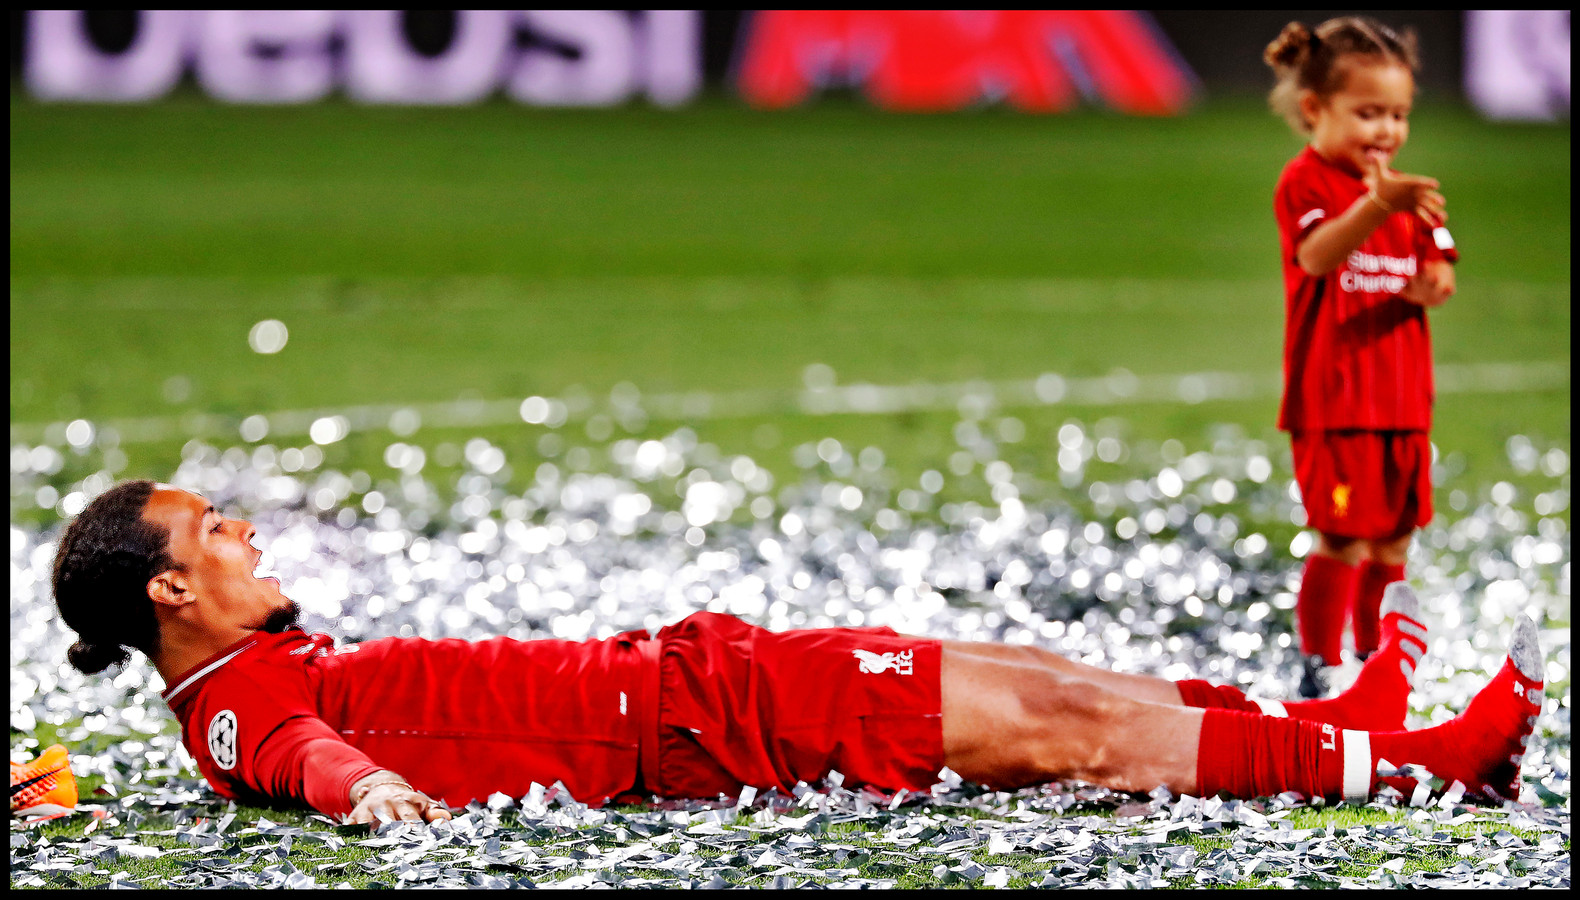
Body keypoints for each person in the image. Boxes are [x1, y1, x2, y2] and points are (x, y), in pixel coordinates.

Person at [51, 481, 1540, 827]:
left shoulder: (240, 674)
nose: (245, 529)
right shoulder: (237, 706)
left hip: (692, 677)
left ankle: (1342, 724)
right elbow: (302, 756)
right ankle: (1419, 766)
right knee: (1060, 725)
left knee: (1033, 676)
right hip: (703, 726)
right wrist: (370, 791)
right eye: (214, 528)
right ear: (173, 589)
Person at [1263, 17, 1461, 699]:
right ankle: (1320, 667)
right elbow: (1317, 256)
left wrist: (1433, 282)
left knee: (1394, 541)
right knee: (1342, 538)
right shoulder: (1307, 182)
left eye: (1398, 114)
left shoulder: (1405, 194)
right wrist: (1378, 204)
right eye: (1368, 113)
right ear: (1315, 108)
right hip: (1336, 398)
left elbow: (1441, 265)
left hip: (1403, 397)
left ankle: (1377, 665)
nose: (1386, 130)